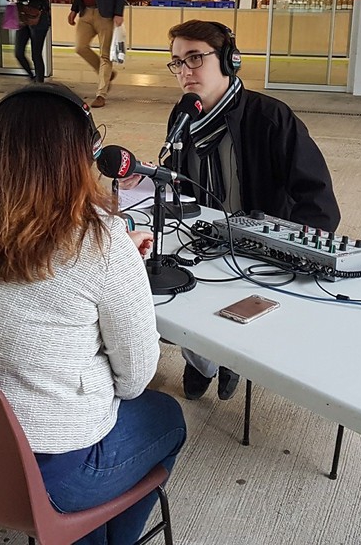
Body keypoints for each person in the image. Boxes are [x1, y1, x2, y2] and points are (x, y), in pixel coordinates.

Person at [0, 83, 186, 545]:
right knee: (166, 415)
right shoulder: (101, 243)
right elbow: (135, 379)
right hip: (50, 476)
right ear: (82, 154)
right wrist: (121, 267)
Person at [133, 20, 340, 401]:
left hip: (254, 251)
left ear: (230, 60)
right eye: (177, 62)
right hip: (202, 240)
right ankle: (202, 361)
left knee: (224, 314)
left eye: (195, 58)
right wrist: (149, 178)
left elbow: (319, 200)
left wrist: (288, 253)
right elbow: (181, 183)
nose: (184, 71)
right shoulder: (183, 117)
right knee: (174, 295)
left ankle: (227, 361)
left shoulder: (270, 118)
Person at [69, 0, 127, 108]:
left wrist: (118, 12)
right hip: (86, 11)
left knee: (105, 55)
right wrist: (74, 8)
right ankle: (108, 75)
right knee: (80, 47)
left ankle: (101, 94)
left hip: (105, 13)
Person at [8, 0, 51, 83]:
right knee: (18, 53)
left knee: (36, 54)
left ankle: (40, 84)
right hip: (22, 16)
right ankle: (32, 78)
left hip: (38, 16)